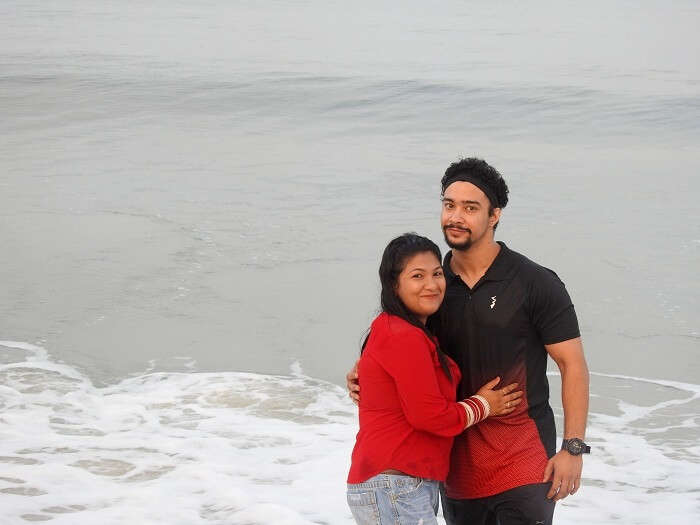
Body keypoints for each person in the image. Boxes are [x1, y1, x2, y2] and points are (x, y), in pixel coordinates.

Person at [347, 158, 590, 525]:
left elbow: (572, 364)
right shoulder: (432, 288)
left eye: (470, 208)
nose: (456, 216)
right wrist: (362, 371)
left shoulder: (534, 282)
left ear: (495, 215)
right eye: (449, 205)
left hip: (523, 460)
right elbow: (398, 342)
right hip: (455, 469)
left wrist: (573, 448)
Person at [347, 233, 523, 525]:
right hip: (395, 485)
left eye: (437, 274)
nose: (432, 285)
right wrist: (484, 405)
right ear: (394, 284)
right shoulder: (403, 335)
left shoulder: (398, 329)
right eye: (418, 276)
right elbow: (429, 416)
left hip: (397, 484)